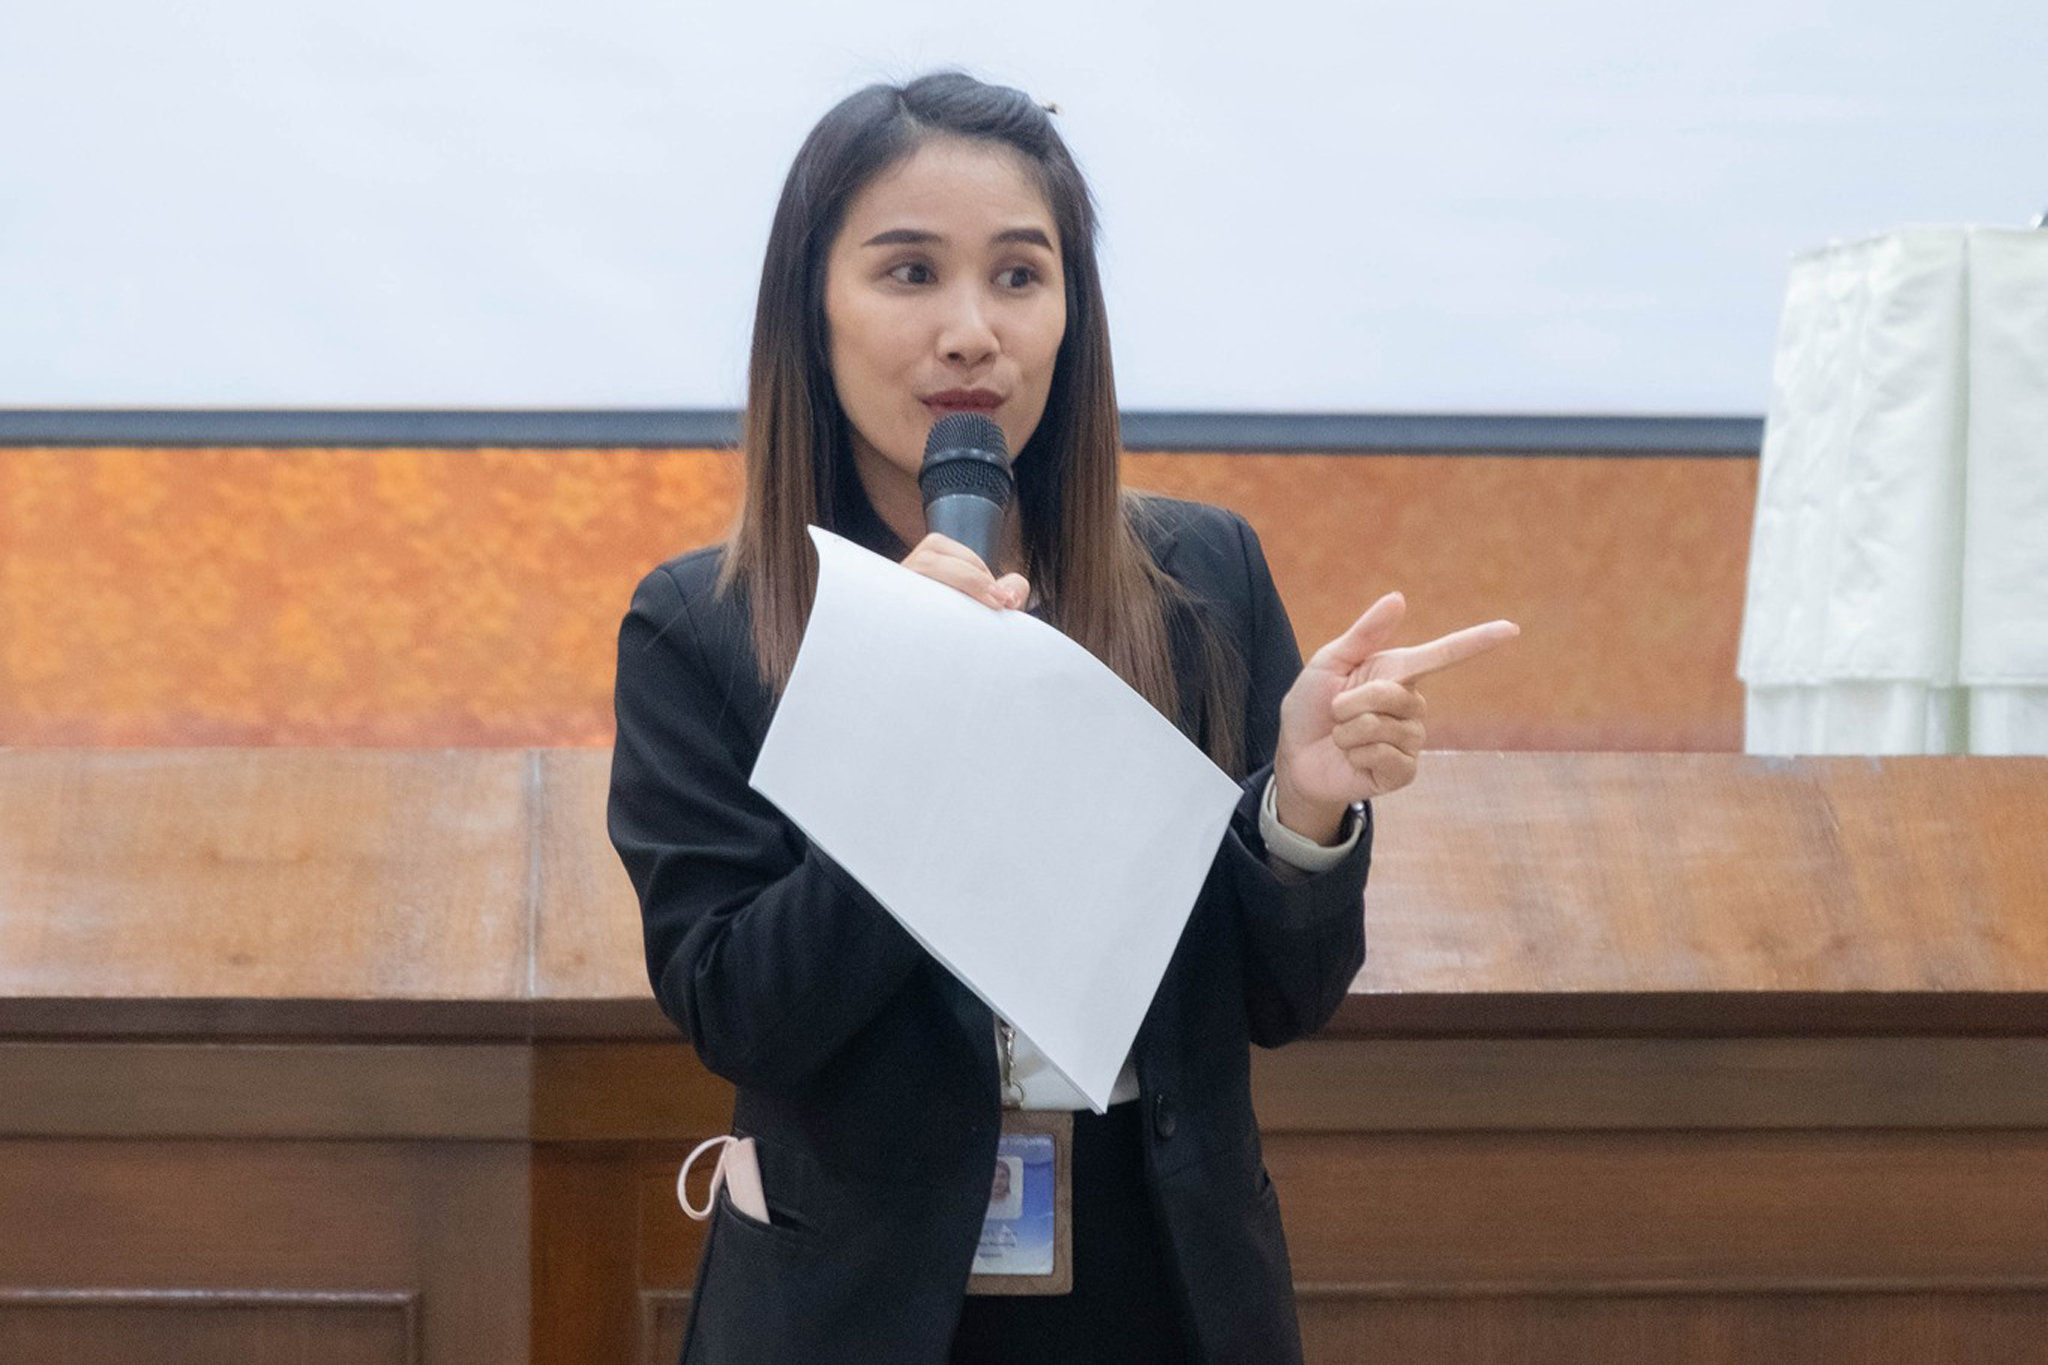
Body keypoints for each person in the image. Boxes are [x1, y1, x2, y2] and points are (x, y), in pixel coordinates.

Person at [609, 70, 1514, 1365]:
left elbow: (1279, 994)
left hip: (1163, 1287)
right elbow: (744, 1013)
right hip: (860, 1308)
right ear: (811, 312)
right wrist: (907, 709)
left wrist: (1304, 808)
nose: (973, 330)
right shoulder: (708, 623)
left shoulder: (1202, 579)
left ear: (1070, 316)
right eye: (910, 273)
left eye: (1019, 277)